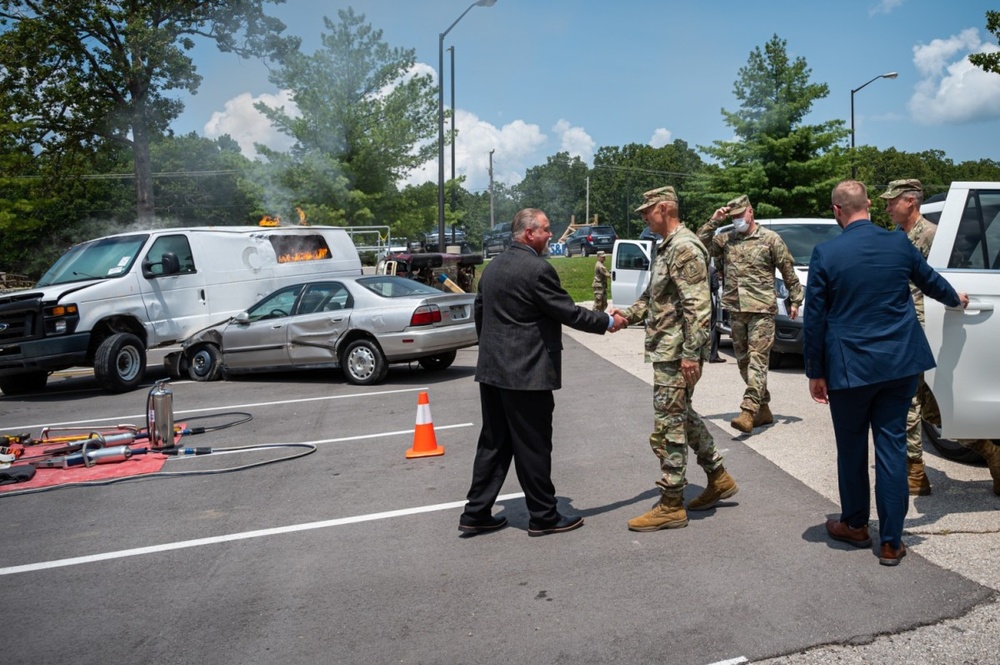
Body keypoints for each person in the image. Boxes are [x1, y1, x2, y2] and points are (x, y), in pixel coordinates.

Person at [804, 180, 968, 566]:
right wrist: (956, 298)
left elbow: (814, 320)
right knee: (893, 448)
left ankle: (856, 526)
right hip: (899, 365)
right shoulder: (899, 243)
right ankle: (892, 541)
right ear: (868, 208)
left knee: (852, 450)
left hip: (849, 369)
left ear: (836, 211)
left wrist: (815, 371)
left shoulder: (826, 253)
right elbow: (929, 281)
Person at [459, 208, 627, 537]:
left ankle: (476, 512)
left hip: (493, 371)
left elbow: (481, 314)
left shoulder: (491, 269)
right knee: (533, 444)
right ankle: (543, 516)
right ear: (528, 234)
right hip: (526, 374)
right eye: (546, 230)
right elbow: (566, 311)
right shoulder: (538, 270)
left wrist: (493, 352)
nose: (552, 235)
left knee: (494, 443)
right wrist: (608, 322)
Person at [611, 186, 738, 532]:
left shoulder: (684, 247)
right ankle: (718, 476)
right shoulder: (668, 247)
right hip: (667, 350)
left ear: (664, 208)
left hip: (676, 353)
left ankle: (671, 504)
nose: (643, 217)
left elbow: (698, 307)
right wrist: (621, 317)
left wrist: (690, 355)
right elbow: (656, 301)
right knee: (681, 415)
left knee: (668, 426)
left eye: (647, 211)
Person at [882, 179, 1000, 496]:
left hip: (926, 329)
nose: (888, 207)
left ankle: (915, 473)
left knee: (907, 401)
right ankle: (993, 454)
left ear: (911, 201)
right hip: (903, 329)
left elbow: (952, 281)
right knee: (936, 414)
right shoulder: (897, 238)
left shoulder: (934, 237)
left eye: (893, 201)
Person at [698, 195, 802, 434]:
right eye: (732, 217)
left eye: (739, 216)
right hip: (736, 309)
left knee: (757, 359)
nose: (736, 221)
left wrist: (795, 299)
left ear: (750, 212)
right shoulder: (727, 240)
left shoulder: (770, 239)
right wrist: (714, 221)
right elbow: (700, 244)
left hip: (762, 310)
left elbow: (788, 270)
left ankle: (748, 409)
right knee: (744, 362)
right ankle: (763, 408)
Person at [708, 263, 726, 363]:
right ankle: (713, 355)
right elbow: (715, 287)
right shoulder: (711, 270)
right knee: (712, 327)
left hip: (690, 303)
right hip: (706, 302)